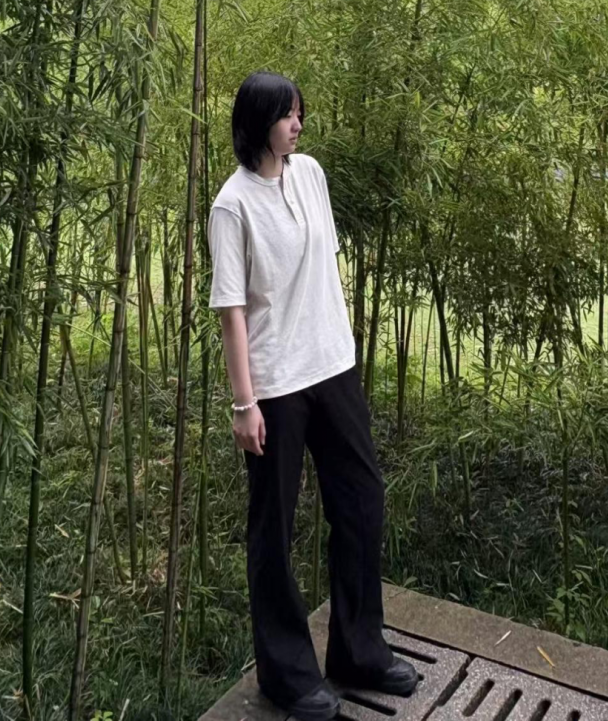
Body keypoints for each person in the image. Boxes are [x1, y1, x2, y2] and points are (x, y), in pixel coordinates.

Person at [206, 70, 419, 721]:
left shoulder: (312, 175)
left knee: (362, 502)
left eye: (301, 112)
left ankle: (358, 651)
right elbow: (232, 312)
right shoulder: (231, 205)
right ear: (257, 122)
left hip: (332, 365)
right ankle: (288, 675)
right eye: (287, 115)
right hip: (274, 385)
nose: (298, 124)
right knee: (273, 526)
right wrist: (244, 404)